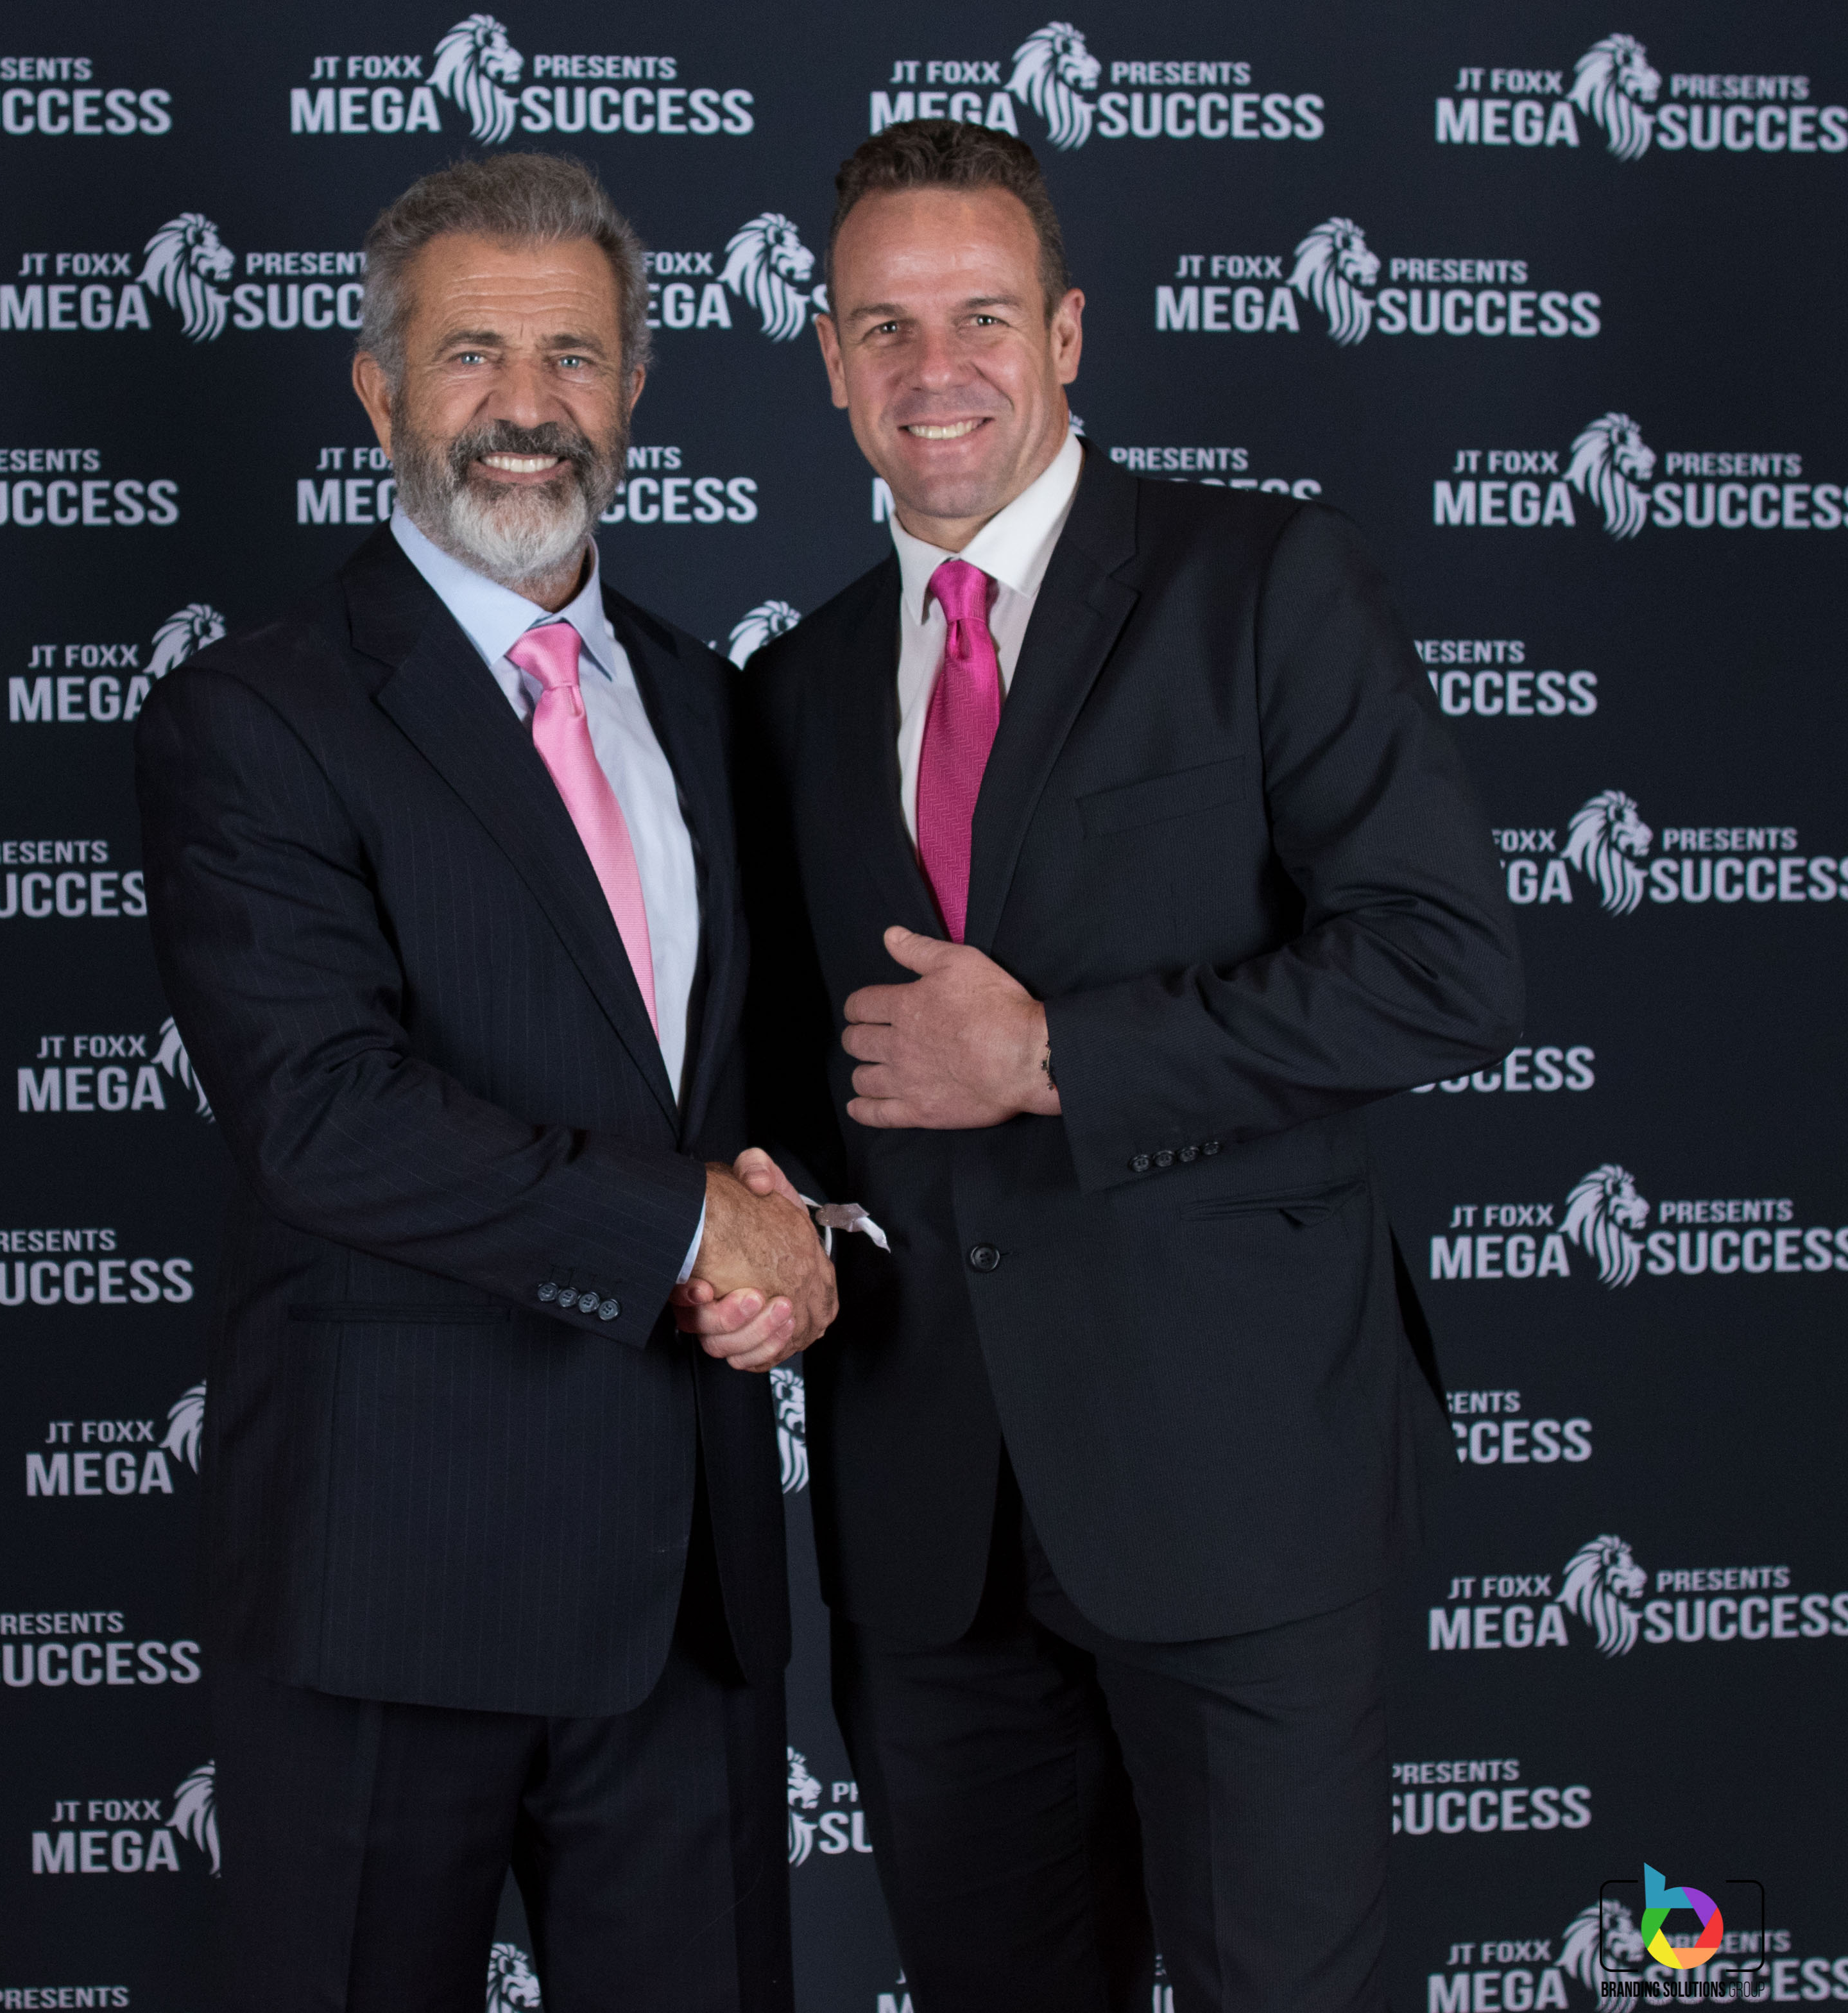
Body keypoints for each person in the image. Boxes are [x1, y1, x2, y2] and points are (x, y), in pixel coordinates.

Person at [705, 121, 1524, 2013]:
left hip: (1235, 1490)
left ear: (1067, 333)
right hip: (932, 1533)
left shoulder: (1263, 583)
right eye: (885, 327)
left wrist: (1059, 1054)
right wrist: (762, 1212)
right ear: (828, 360)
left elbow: (1446, 970)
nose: (937, 371)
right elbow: (796, 1083)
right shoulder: (792, 689)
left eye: (983, 318)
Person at [135, 153, 830, 2013]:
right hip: (392, 1582)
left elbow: (748, 1097)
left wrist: (800, 1239)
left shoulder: (708, 701)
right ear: (378, 392)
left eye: (573, 356)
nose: (527, 406)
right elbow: (325, 1116)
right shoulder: (256, 714)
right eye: (472, 355)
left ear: (634, 388)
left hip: (683, 1596)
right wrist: (690, 1223)